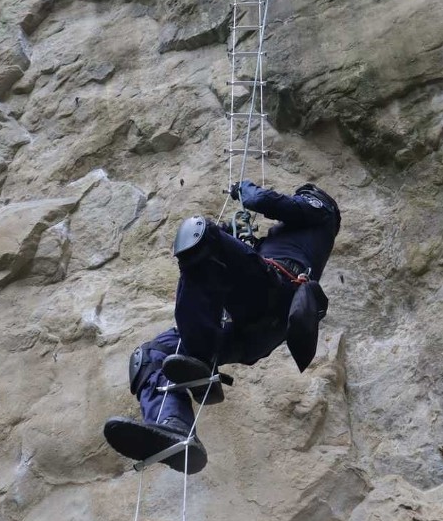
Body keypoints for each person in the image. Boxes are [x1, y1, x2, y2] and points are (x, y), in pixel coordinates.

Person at [103, 180, 340, 474]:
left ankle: (200, 356)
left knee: (199, 233)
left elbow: (266, 202)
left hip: (275, 296)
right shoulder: (287, 241)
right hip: (254, 331)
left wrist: (245, 189)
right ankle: (174, 427)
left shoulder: (323, 210)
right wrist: (235, 238)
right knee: (150, 356)